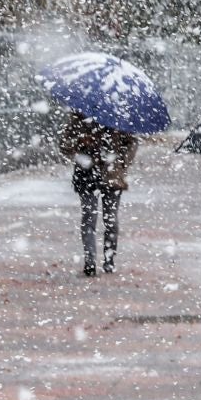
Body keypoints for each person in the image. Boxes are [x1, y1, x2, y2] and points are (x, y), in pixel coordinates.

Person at [60, 111, 137, 276]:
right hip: (86, 173)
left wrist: (119, 161)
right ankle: (90, 262)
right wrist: (80, 142)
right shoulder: (79, 116)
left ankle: (109, 260)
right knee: (89, 218)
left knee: (111, 220)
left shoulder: (119, 115)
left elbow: (131, 143)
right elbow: (64, 145)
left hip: (111, 176)